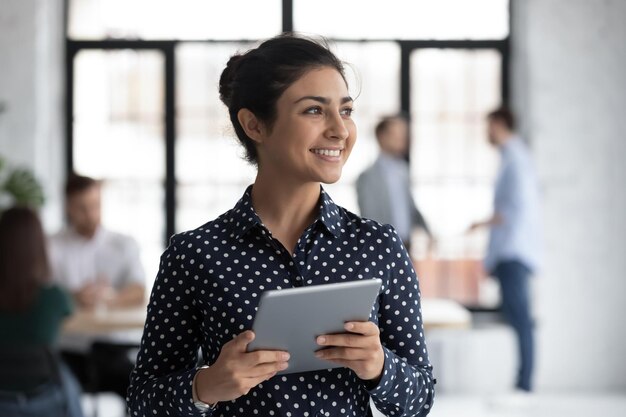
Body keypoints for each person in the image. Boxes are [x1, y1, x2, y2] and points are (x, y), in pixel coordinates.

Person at [127, 34, 435, 417]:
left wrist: (380, 367)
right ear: (254, 125)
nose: (340, 130)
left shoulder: (378, 246)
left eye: (346, 110)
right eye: (314, 111)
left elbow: (420, 399)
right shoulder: (195, 255)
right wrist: (205, 386)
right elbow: (142, 403)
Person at [469, 108, 541, 393]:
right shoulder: (511, 158)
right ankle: (522, 385)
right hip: (510, 253)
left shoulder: (516, 159)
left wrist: (481, 224)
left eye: (488, 127)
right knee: (518, 319)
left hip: (514, 253)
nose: (486, 133)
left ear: (499, 124)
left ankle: (524, 387)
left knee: (521, 320)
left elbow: (513, 211)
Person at [0, 207, 84, 417]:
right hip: (47, 401)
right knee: (67, 376)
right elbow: (70, 312)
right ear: (38, 246)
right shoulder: (54, 297)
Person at [49, 174, 145, 309]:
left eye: (95, 205)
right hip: (72, 329)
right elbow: (39, 292)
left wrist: (110, 299)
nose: (91, 215)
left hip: (114, 329)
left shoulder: (125, 244)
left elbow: (139, 290)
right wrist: (72, 297)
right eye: (82, 208)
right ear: (68, 207)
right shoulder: (51, 245)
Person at [356, 115, 433, 252]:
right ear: (381, 136)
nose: (402, 138)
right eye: (397, 133)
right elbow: (369, 217)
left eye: (404, 133)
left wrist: (428, 232)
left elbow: (411, 207)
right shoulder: (367, 177)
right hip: (382, 247)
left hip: (406, 244)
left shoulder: (403, 170)